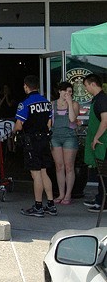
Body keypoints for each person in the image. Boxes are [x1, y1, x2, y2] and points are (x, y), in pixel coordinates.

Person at [13, 74, 56, 217]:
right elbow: (49, 124)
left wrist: (13, 131)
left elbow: (19, 126)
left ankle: (38, 206)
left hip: (32, 141)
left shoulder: (25, 103)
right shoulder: (46, 102)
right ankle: (51, 204)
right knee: (44, 172)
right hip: (45, 140)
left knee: (36, 174)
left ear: (26, 86)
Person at [50, 81, 80, 205]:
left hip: (69, 137)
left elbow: (72, 119)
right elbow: (49, 122)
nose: (67, 94)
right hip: (55, 136)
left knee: (69, 166)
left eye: (70, 92)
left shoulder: (74, 104)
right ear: (60, 91)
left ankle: (68, 194)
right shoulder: (52, 104)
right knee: (59, 166)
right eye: (65, 91)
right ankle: (61, 193)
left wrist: (69, 103)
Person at [82, 73, 107, 213]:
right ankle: (100, 198)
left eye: (86, 85)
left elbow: (105, 120)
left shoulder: (102, 99)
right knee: (100, 172)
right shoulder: (97, 99)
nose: (86, 89)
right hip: (100, 143)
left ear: (93, 84)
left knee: (104, 173)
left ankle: (103, 202)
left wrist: (97, 137)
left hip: (104, 143)